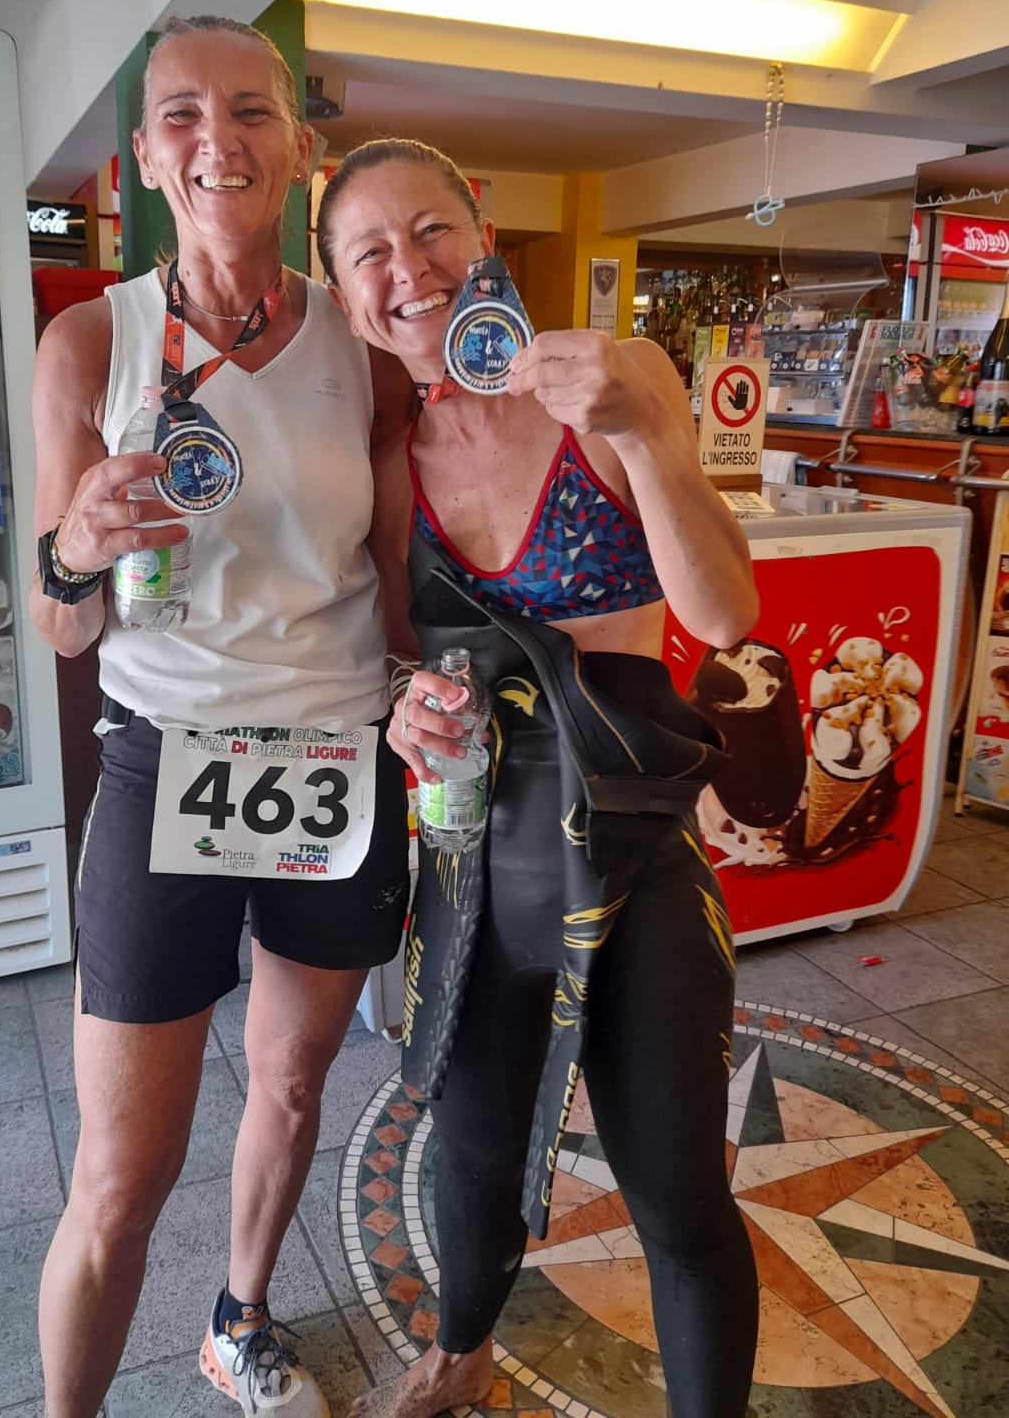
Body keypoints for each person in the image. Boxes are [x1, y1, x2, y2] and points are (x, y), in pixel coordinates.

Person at [315, 139, 761, 1418]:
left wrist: (641, 430)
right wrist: (407, 711)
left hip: (632, 863)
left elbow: (724, 613)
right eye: (370, 254)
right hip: (474, 867)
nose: (410, 270)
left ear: (483, 236)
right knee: (469, 1145)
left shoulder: (618, 379)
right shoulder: (392, 467)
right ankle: (461, 1354)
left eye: (431, 231)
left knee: (676, 1190)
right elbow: (401, 660)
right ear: (347, 297)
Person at [29, 18, 410, 1418]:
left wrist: (436, 709)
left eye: (251, 111)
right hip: (165, 761)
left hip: (338, 759)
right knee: (120, 1175)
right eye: (182, 115)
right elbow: (64, 625)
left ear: (299, 146)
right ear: (145, 155)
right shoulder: (91, 341)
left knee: (293, 1082)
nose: (217, 141)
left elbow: (400, 583)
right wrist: (77, 546)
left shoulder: (366, 346)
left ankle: (236, 1320)